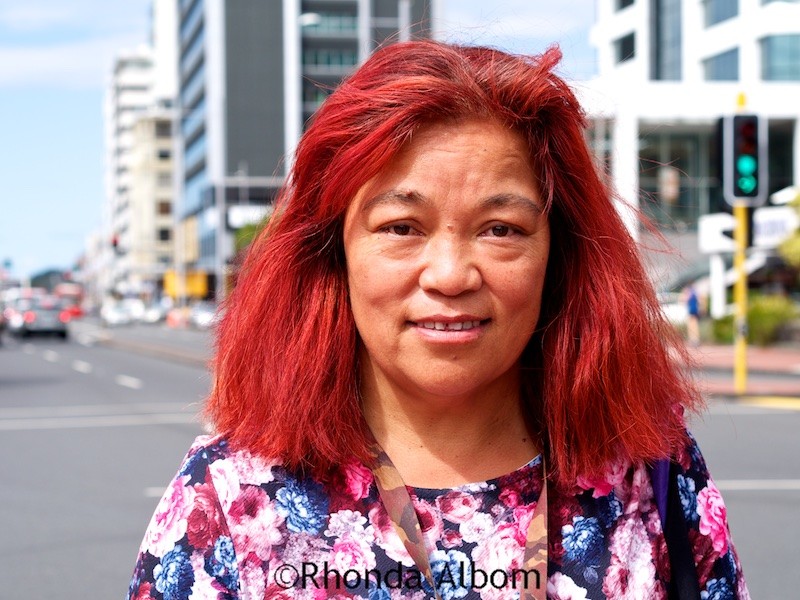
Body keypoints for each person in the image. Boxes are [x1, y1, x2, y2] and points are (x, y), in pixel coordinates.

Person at [127, 41, 749, 600]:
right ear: (332, 252)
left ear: (558, 254)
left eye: (501, 230)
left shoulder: (647, 470)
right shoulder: (229, 498)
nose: (450, 275)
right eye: (401, 228)